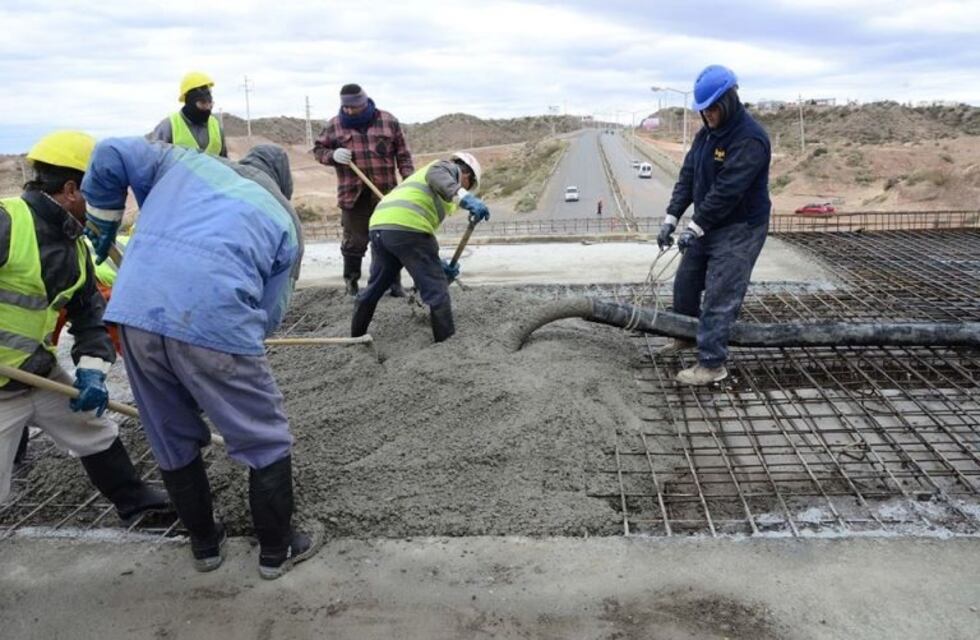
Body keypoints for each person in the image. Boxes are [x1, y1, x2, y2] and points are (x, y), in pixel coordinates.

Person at [81, 137, 321, 580]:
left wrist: (103, 218)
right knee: (262, 437)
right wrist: (230, 351)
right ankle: (276, 549)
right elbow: (270, 311)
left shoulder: (181, 162)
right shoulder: (286, 218)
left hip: (135, 313)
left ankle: (205, 546)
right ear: (282, 183)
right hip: (216, 321)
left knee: (170, 434)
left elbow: (110, 152)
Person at [0, 131, 170, 520]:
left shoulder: (75, 248)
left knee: (92, 428)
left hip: (35, 371)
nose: (105, 204)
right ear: (72, 189)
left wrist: (92, 375)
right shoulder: (7, 221)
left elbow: (90, 319)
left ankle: (135, 504)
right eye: (99, 192)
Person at [656, 64, 772, 386]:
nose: (706, 116)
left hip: (740, 227)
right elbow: (689, 175)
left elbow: (728, 191)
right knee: (686, 284)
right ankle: (684, 336)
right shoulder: (706, 134)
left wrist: (696, 225)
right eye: (702, 111)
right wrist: (671, 217)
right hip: (707, 223)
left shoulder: (750, 139)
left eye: (710, 110)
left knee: (720, 294)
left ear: (728, 101)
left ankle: (711, 363)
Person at [351, 152, 488, 343]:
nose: (465, 189)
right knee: (437, 291)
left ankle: (355, 337)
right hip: (407, 226)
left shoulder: (424, 189)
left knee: (375, 288)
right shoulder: (446, 167)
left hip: (381, 227)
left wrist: (438, 265)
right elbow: (415, 238)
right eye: (468, 186)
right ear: (467, 175)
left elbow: (418, 249)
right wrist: (467, 199)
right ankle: (447, 344)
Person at [313, 83, 414, 297]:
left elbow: (403, 155)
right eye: (345, 107)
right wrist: (333, 156)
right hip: (352, 195)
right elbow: (318, 150)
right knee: (354, 242)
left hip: (386, 195)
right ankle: (351, 284)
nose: (349, 111)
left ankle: (393, 284)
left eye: (354, 107)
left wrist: (408, 183)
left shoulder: (388, 121)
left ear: (365, 102)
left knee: (390, 240)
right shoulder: (334, 125)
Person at [150, 71, 227, 157]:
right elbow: (155, 161)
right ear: (189, 101)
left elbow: (225, 161)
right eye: (202, 103)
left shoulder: (216, 126)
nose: (207, 109)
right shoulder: (168, 127)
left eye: (209, 104)